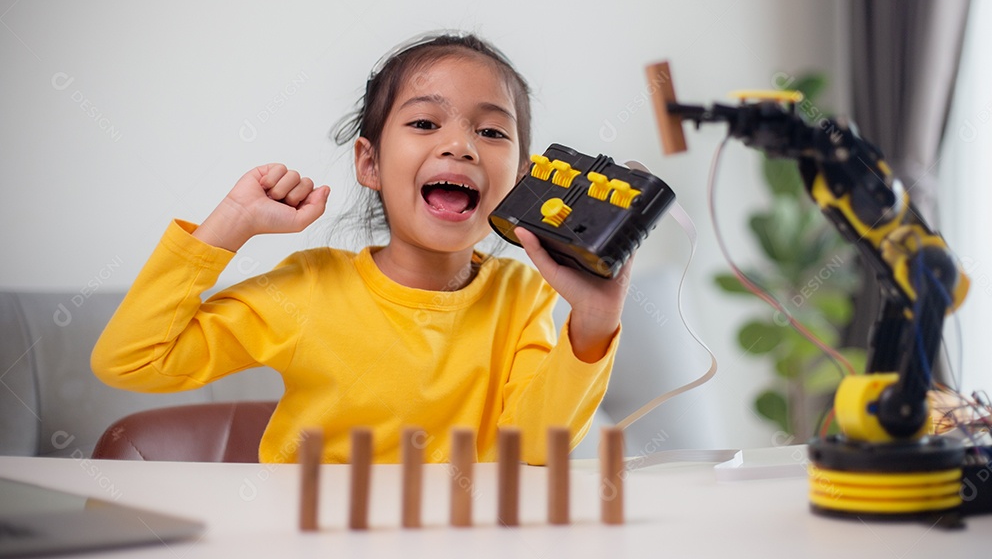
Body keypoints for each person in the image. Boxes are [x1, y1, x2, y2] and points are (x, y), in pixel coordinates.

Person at [91, 32, 632, 464]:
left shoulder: (522, 294)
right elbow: (134, 361)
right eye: (425, 122)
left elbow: (535, 447)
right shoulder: (310, 286)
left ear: (520, 179)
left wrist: (594, 318)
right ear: (368, 164)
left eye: (492, 133)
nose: (461, 146)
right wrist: (229, 225)